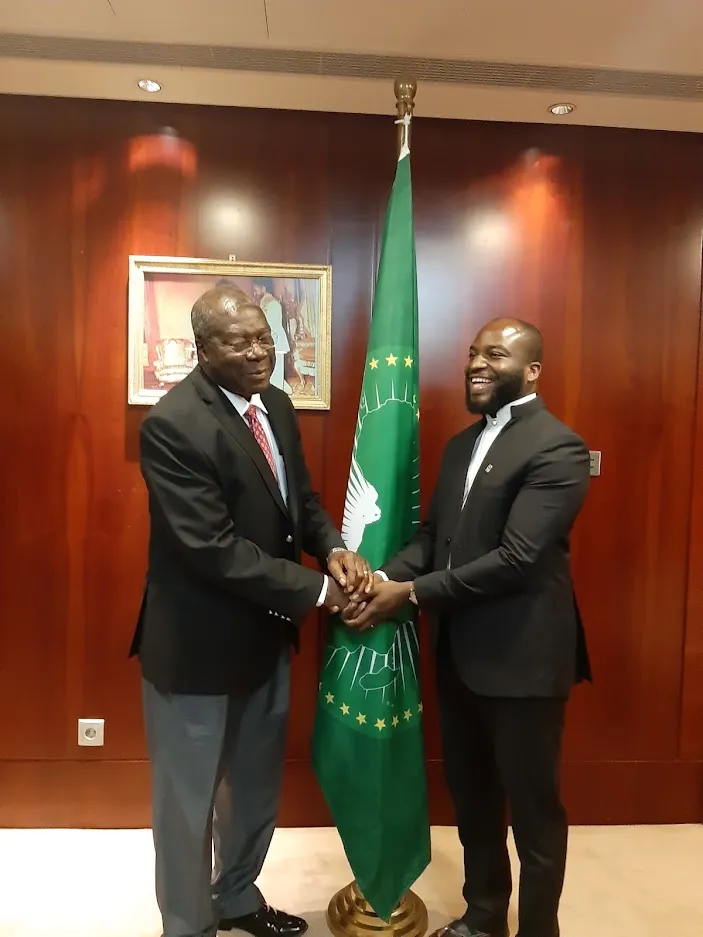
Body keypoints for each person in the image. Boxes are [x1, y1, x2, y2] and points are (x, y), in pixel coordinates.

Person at [130, 285, 370, 937]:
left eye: (265, 336)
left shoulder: (277, 406)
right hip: (196, 652)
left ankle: (235, 896)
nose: (261, 351)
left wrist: (335, 550)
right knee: (188, 805)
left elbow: (302, 503)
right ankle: (187, 924)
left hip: (265, 638)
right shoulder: (174, 424)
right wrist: (321, 592)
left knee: (255, 790)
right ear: (202, 350)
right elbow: (211, 549)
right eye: (240, 342)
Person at [346, 319, 591, 937]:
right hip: (459, 656)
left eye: (496, 355)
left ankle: (539, 928)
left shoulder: (557, 448)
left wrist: (408, 594)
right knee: (476, 803)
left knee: (534, 814)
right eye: (473, 354)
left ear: (532, 371)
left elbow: (516, 560)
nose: (476, 364)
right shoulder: (460, 446)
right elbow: (435, 539)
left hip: (523, 661)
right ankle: (484, 915)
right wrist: (377, 578)